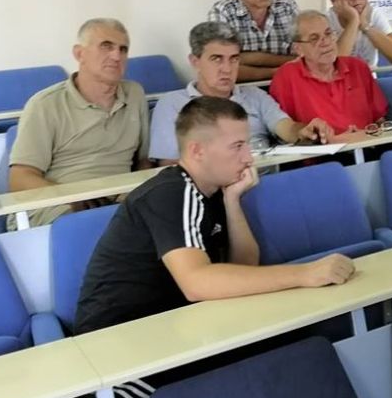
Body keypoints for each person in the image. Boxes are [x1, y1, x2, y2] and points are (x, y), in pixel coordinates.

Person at [74, 96, 355, 338]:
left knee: (294, 338)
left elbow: (244, 266)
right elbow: (197, 283)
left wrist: (232, 201)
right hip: (118, 344)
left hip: (174, 325)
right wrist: (305, 274)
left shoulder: (212, 189)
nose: (249, 158)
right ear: (197, 150)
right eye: (237, 146)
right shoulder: (171, 192)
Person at [9, 18, 150, 227]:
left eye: (123, 49)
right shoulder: (45, 104)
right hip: (58, 203)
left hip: (119, 201)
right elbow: (20, 178)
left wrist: (130, 194)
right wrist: (71, 198)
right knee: (91, 227)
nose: (116, 56)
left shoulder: (135, 94)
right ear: (79, 53)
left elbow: (144, 162)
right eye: (106, 46)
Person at [149, 22, 333, 163]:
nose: (227, 69)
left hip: (265, 182)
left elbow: (287, 128)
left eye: (234, 59)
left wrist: (305, 130)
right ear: (195, 61)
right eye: (217, 59)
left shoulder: (254, 96)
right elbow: (169, 164)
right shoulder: (171, 104)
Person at [270, 10, 389, 140]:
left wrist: (370, 135)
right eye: (314, 38)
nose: (325, 42)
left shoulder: (358, 67)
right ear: (298, 49)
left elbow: (380, 120)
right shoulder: (286, 77)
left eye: (328, 33)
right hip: (322, 155)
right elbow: (287, 131)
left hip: (368, 146)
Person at [208, 0, 298, 82]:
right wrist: (279, 70)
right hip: (241, 92)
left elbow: (306, 59)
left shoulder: (287, 7)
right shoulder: (223, 12)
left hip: (287, 87)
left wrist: (245, 58)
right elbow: (223, 69)